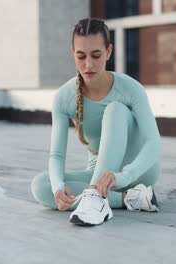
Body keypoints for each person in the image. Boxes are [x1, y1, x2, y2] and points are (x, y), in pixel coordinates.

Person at [30, 18, 161, 226]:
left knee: (115, 109)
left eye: (96, 55)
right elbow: (56, 155)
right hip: (100, 180)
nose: (88, 64)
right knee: (42, 185)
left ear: (108, 52)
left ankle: (96, 198)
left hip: (137, 171)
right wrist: (58, 187)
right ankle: (129, 198)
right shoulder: (64, 97)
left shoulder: (130, 88)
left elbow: (154, 143)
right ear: (73, 52)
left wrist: (124, 177)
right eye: (81, 56)